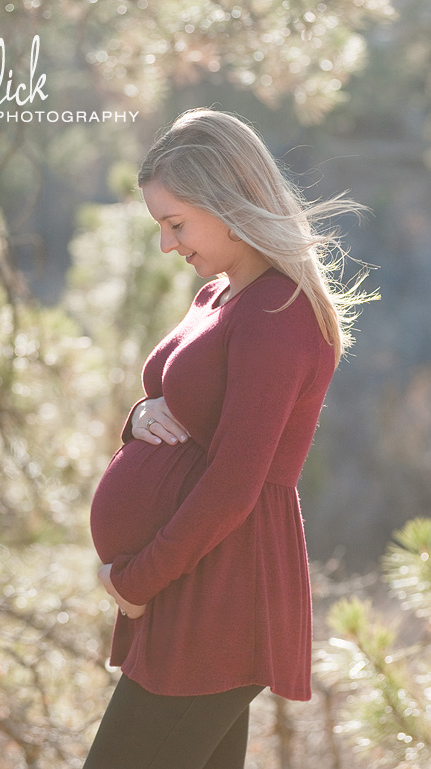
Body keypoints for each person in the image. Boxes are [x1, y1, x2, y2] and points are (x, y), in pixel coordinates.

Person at [83, 107, 370, 769]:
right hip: (197, 584)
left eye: (174, 223)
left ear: (226, 202)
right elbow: (192, 413)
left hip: (220, 594)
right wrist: (139, 416)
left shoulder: (278, 311)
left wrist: (136, 578)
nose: (166, 244)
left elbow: (234, 481)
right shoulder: (218, 294)